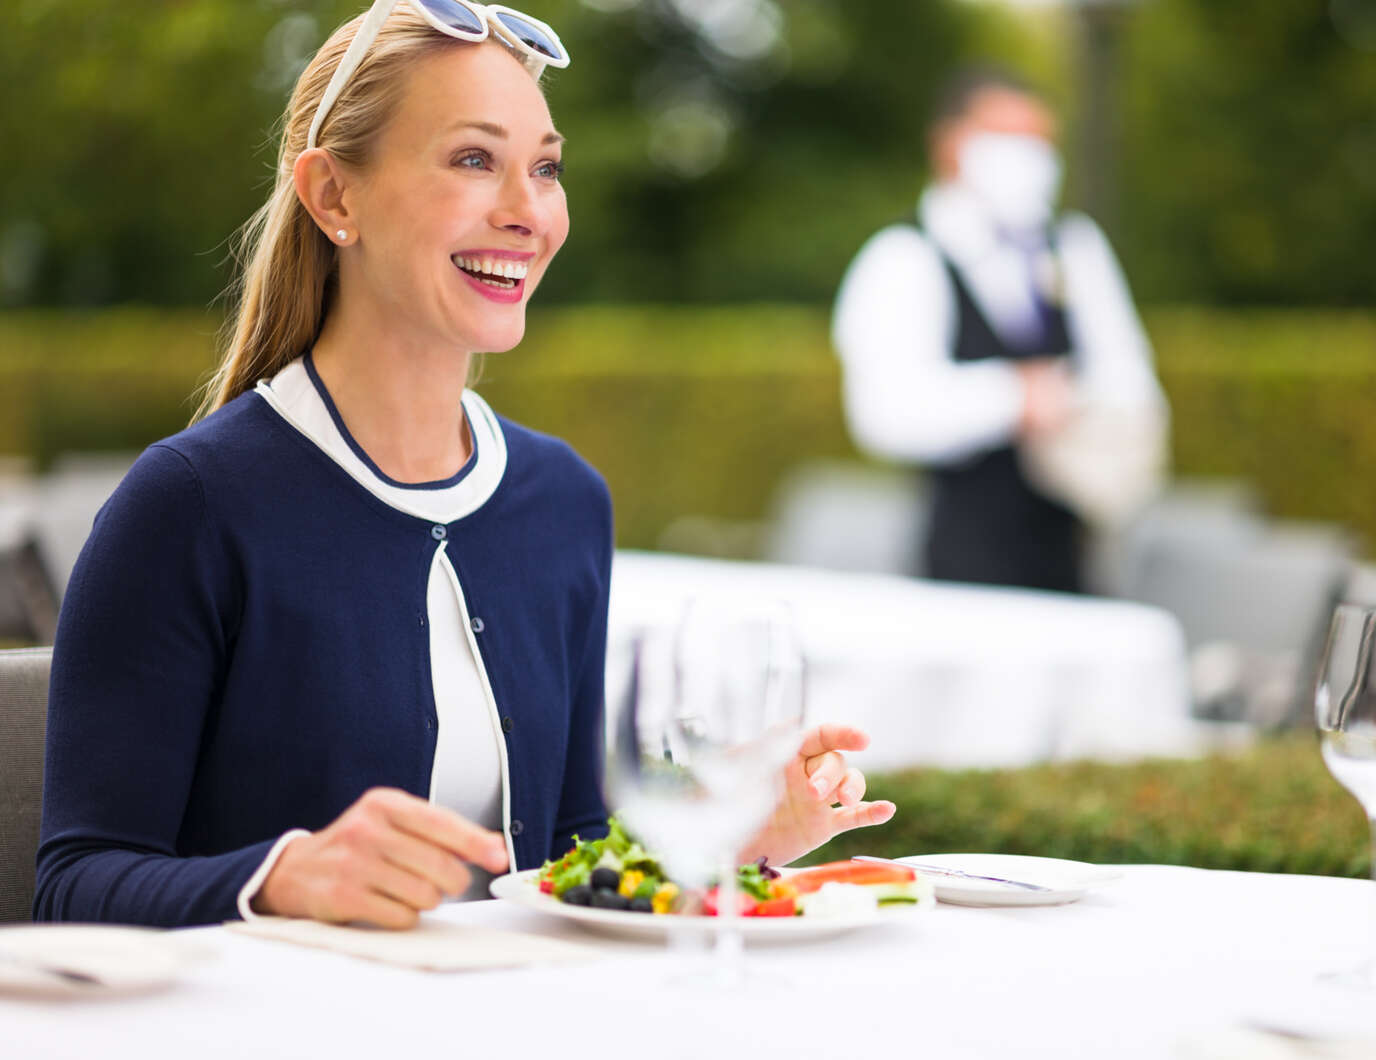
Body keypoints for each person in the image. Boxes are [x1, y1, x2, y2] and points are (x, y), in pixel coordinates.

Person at [34, 1, 893, 930]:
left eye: (547, 168)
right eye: (474, 159)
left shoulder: (563, 501)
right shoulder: (190, 506)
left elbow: (564, 857)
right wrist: (285, 877)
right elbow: (76, 883)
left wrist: (733, 837)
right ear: (333, 198)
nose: (528, 212)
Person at [832, 67, 1166, 593]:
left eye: (1040, 143)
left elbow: (1131, 380)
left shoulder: (1074, 246)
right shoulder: (903, 257)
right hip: (960, 568)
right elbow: (885, 412)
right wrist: (1014, 397)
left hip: (1075, 559)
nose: (1029, 159)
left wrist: (1076, 403)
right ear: (949, 144)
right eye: (1009, 138)